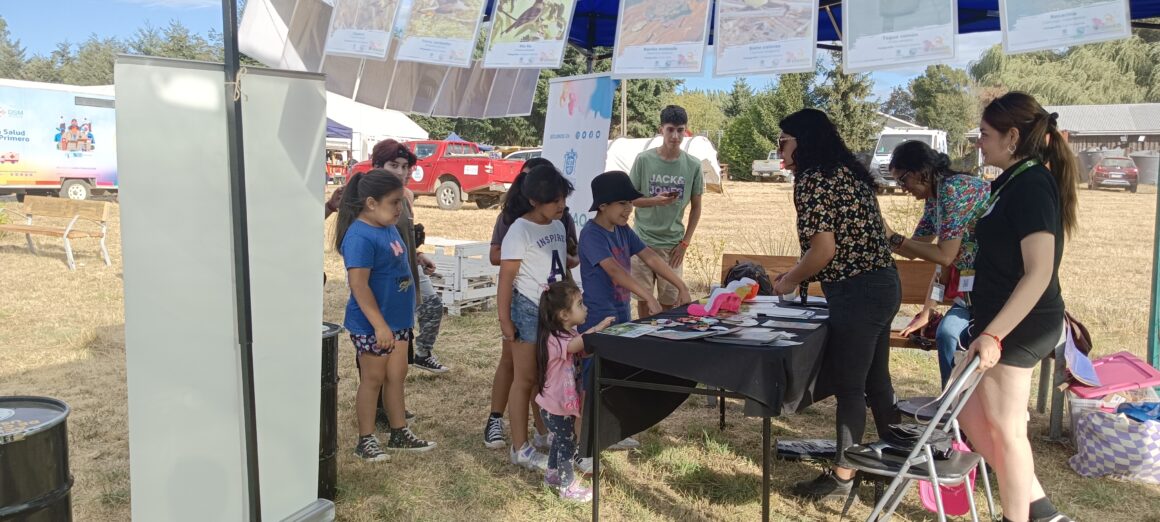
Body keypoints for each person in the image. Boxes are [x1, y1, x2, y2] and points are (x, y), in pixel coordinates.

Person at [771, 108, 902, 501]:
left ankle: (844, 476)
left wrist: (790, 279)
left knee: (851, 387)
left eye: (784, 141)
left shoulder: (813, 180)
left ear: (803, 141)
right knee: (877, 381)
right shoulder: (849, 173)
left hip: (857, 291)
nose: (780, 148)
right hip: (883, 284)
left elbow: (824, 249)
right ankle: (894, 462)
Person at [958, 92, 1078, 522]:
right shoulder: (1008, 181)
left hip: (1021, 325)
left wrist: (994, 335)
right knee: (969, 414)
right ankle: (1040, 509)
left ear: (1012, 137)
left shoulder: (1031, 185)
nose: (979, 142)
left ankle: (1017, 517)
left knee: (1007, 429)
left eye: (985, 134)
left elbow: (1039, 272)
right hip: (996, 319)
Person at [334, 170, 436, 461]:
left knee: (396, 375)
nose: (399, 209)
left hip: (398, 320)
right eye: (394, 202)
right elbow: (358, 285)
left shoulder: (386, 225)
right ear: (370, 203)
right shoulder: (359, 236)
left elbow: (395, 257)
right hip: (373, 324)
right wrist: (379, 325)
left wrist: (417, 259)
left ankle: (398, 432)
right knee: (373, 379)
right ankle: (365, 440)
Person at [483, 158, 576, 452]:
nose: (560, 205)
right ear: (535, 200)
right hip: (527, 311)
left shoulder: (559, 226)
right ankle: (519, 447)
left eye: (562, 198)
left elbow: (562, 268)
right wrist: (504, 320)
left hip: (554, 312)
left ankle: (542, 432)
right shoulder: (519, 230)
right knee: (525, 379)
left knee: (546, 376)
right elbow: (506, 278)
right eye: (553, 201)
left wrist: (573, 301)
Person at [882, 140, 990, 388]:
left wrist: (893, 237)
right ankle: (950, 407)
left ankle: (960, 410)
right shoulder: (936, 196)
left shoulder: (954, 189)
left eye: (902, 180)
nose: (902, 188)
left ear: (921, 172)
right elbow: (916, 248)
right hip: (970, 297)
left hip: (994, 294)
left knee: (956, 337)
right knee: (947, 334)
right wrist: (927, 312)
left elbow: (944, 255)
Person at [580, 170, 692, 329]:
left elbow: (650, 257)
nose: (629, 208)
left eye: (630, 202)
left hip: (622, 311)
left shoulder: (623, 229)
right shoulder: (592, 234)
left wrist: (681, 286)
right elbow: (614, 271)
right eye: (622, 203)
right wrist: (648, 297)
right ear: (603, 205)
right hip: (598, 317)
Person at [534, 281, 614, 502]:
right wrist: (597, 329)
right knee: (568, 444)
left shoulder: (568, 334)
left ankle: (552, 475)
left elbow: (581, 351)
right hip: (555, 407)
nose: (585, 307)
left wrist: (594, 340)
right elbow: (577, 346)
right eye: (580, 304)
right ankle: (567, 488)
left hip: (559, 404)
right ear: (564, 315)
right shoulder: (555, 339)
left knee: (561, 441)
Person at [628, 105, 704, 320]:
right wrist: (655, 201)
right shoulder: (644, 160)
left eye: (680, 130)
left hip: (673, 246)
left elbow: (697, 208)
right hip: (642, 242)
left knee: (668, 302)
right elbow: (631, 200)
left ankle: (663, 340)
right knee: (643, 301)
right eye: (670, 129)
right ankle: (643, 341)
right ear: (661, 129)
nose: (675, 136)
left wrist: (685, 243)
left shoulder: (693, 165)